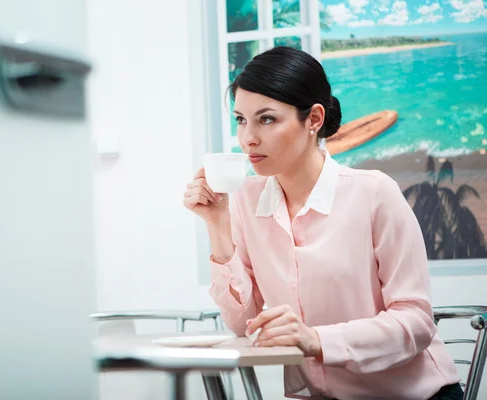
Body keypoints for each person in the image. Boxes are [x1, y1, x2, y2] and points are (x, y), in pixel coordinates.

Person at [183, 46, 462, 400]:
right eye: (241, 119)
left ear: (313, 119)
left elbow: (416, 323)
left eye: (266, 119)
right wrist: (217, 224)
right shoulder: (246, 200)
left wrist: (316, 340)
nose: (247, 138)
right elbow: (242, 323)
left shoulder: (375, 194)